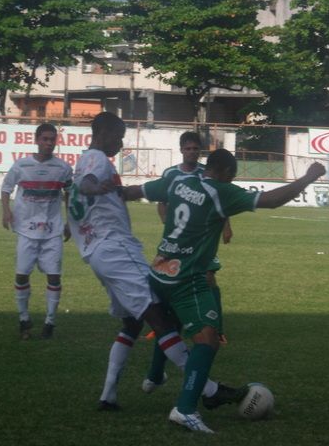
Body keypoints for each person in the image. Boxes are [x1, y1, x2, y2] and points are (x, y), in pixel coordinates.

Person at [124, 149, 325, 432]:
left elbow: (135, 191)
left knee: (171, 327)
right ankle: (185, 408)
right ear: (229, 173)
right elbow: (272, 200)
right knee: (207, 339)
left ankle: (155, 376)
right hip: (187, 278)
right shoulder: (220, 191)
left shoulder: (179, 181)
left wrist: (110, 191)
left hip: (158, 272)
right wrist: (309, 177)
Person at [67, 112, 245, 414]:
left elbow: (76, 194)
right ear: (104, 132)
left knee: (132, 321)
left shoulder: (83, 159)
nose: (121, 143)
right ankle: (209, 390)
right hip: (116, 248)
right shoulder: (97, 161)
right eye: (119, 136)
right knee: (158, 314)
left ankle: (108, 395)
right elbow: (86, 184)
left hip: (95, 252)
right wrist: (95, 188)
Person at [146, 131, 231, 346]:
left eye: (195, 149)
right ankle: (165, 326)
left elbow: (220, 202)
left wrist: (226, 227)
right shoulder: (171, 174)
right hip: (176, 242)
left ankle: (217, 327)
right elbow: (161, 202)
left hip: (201, 239)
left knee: (209, 278)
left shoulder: (206, 172)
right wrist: (168, 223)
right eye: (188, 148)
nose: (192, 152)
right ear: (181, 150)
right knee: (167, 279)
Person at [1, 123, 73, 340]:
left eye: (52, 139)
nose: (49, 143)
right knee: (21, 275)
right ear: (36, 139)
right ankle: (24, 319)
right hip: (25, 229)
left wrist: (69, 221)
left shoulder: (63, 168)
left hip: (52, 231)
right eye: (45, 139)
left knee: (54, 277)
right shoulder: (22, 165)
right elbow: (6, 188)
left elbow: (70, 194)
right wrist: (6, 212)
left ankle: (50, 322)